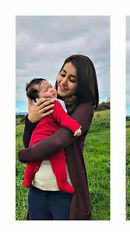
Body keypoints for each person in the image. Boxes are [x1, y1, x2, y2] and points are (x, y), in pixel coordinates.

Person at [18, 54, 99, 220]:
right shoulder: (45, 103)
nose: (63, 81)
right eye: (62, 74)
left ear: (81, 85)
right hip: (37, 190)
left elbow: (59, 140)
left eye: (72, 79)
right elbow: (30, 142)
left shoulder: (84, 109)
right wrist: (31, 120)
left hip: (63, 194)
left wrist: (26, 155)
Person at [22, 78, 82, 194]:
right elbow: (63, 118)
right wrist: (75, 127)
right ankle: (62, 183)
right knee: (58, 159)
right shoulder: (54, 104)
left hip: (35, 139)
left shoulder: (37, 107)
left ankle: (27, 180)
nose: (51, 89)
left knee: (33, 162)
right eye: (46, 90)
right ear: (39, 98)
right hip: (48, 139)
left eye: (50, 86)